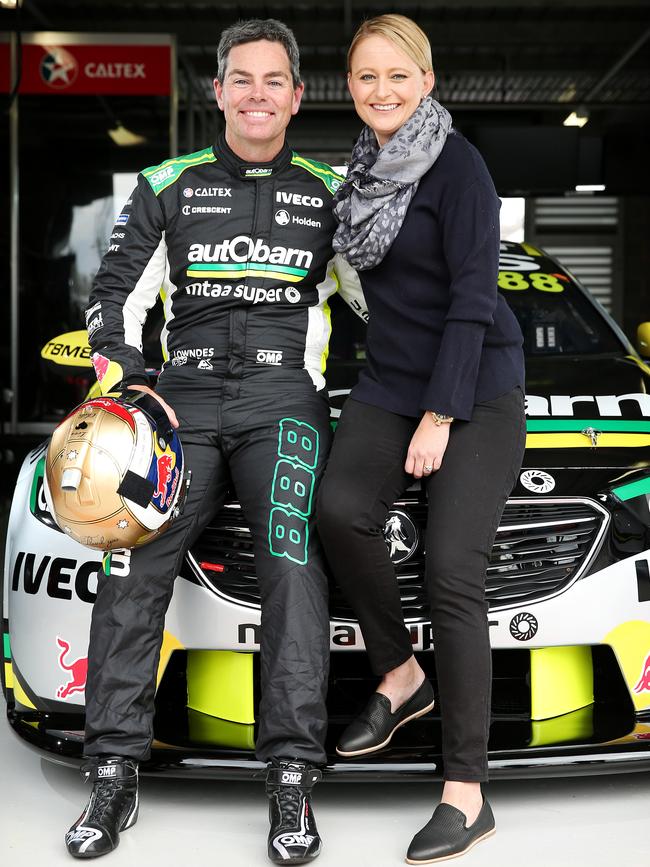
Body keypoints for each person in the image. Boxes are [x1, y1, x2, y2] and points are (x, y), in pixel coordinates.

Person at [64, 18, 366, 864]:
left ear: (298, 96)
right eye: (243, 79)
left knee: (293, 561)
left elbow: (384, 305)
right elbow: (115, 294)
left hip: (284, 401)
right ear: (219, 90)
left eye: (276, 80)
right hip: (180, 397)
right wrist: (127, 385)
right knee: (131, 558)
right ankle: (114, 769)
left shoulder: (333, 192)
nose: (258, 94)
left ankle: (293, 777)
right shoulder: (167, 182)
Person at [317, 14, 526, 864]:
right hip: (390, 382)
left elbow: (475, 296)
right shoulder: (358, 176)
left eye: (397, 75)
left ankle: (466, 793)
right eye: (366, 77)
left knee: (450, 569)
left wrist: (441, 416)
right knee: (337, 509)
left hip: (476, 384)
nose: (381, 91)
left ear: (427, 80)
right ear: (352, 87)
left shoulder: (460, 167)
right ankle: (403, 677)